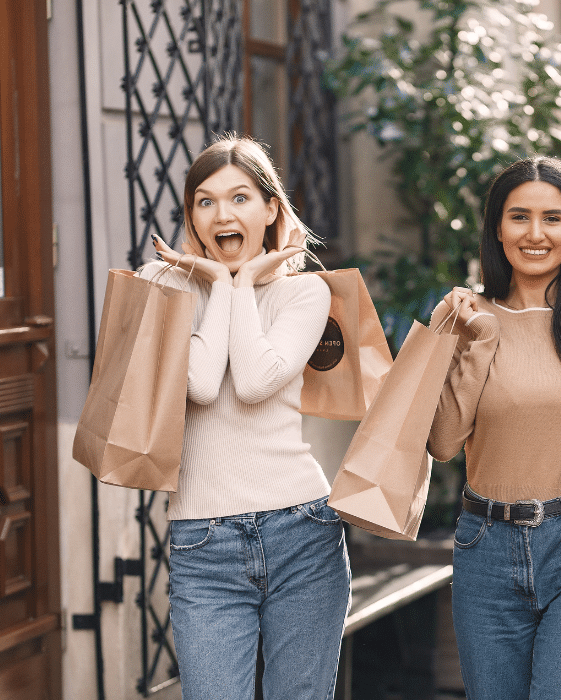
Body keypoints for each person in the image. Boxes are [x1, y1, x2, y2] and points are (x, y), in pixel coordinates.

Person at [428, 156, 561, 700]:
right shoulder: (466, 316)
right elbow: (443, 441)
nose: (535, 233)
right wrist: (477, 340)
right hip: (486, 550)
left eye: (553, 218)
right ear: (497, 230)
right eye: (518, 216)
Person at [143, 135, 350, 699]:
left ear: (270, 209)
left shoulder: (305, 294)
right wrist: (221, 282)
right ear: (191, 216)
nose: (221, 214)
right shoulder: (162, 284)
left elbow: (257, 380)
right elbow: (203, 384)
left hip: (302, 532)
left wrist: (235, 284)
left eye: (239, 198)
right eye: (204, 202)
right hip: (202, 544)